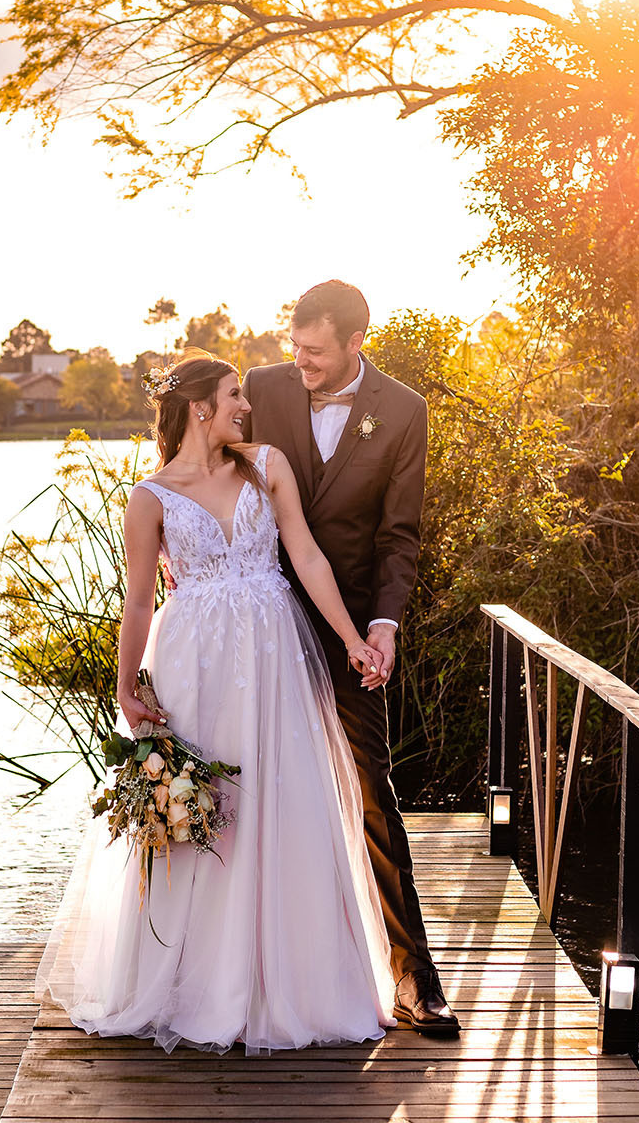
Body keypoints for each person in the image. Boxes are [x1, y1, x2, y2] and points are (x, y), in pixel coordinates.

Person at [34, 352, 397, 1054]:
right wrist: (125, 687)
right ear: (201, 407)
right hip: (193, 664)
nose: (246, 406)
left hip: (273, 657)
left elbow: (309, 557)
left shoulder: (267, 465)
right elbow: (138, 600)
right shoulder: (149, 498)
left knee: (283, 805)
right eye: (234, 395)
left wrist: (353, 639)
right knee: (209, 815)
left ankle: (295, 983)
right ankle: (196, 983)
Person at [242, 280, 458, 1033]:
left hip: (352, 634)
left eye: (315, 353)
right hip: (257, 620)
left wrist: (384, 626)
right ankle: (240, 975)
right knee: (244, 781)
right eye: (294, 348)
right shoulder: (263, 387)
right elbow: (198, 459)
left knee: (373, 786)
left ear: (356, 342)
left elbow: (400, 534)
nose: (299, 362)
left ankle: (413, 978)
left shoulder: (403, 411)